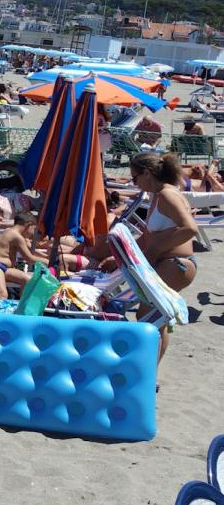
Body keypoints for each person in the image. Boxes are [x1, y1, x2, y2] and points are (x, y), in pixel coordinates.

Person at [106, 153, 197, 363]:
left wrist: (156, 251)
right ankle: (150, 373)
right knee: (155, 319)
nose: (134, 183)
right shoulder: (158, 196)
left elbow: (189, 228)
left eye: (135, 178)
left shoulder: (168, 195)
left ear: (147, 173)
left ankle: (148, 374)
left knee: (149, 318)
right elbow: (149, 237)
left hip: (176, 265)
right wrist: (118, 257)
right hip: (169, 264)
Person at [0, 212, 47, 299]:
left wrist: (44, 256)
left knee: (28, 280)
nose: (32, 234)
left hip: (3, 267)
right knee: (2, 294)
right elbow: (29, 258)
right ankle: (0, 312)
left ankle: (20, 307)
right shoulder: (17, 237)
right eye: (34, 229)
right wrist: (47, 261)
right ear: (29, 225)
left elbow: (28, 249)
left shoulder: (8, 231)